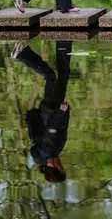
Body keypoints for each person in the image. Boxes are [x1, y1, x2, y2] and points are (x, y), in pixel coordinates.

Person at [11, 40, 72, 183]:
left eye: (61, 168)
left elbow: (52, 128)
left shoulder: (47, 152)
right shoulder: (50, 153)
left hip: (52, 108)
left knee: (51, 76)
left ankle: (21, 55)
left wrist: (61, 112)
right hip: (51, 109)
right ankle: (64, 43)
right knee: (63, 75)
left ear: (54, 168)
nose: (62, 165)